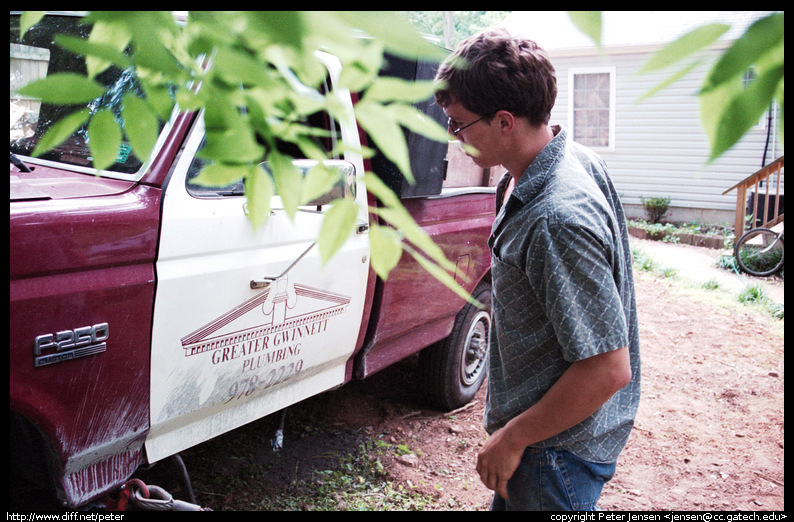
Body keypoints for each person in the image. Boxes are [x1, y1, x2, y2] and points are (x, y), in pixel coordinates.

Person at [434, 28, 641, 511]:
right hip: (546, 443)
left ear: (505, 121)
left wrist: (512, 438)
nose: (452, 136)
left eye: (459, 124)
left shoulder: (556, 218)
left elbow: (608, 368)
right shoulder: (563, 158)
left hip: (552, 455)